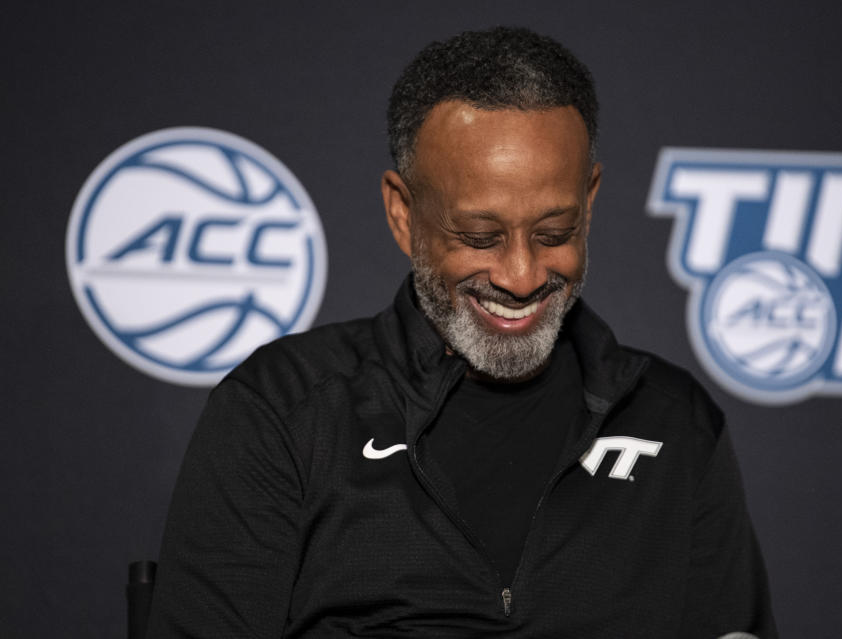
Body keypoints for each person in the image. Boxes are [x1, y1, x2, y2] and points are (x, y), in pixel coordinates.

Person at [147, 26, 777, 639]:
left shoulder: (677, 421)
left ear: (591, 201)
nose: (523, 275)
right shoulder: (283, 411)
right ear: (403, 215)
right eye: (480, 238)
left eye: (555, 233)